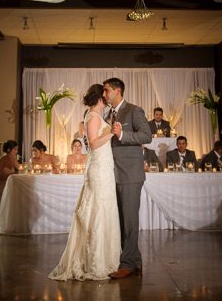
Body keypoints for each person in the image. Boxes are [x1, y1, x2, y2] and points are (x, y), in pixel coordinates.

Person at [50, 84, 119, 281]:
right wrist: (112, 133)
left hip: (104, 166)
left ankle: (105, 256)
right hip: (98, 167)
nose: (108, 96)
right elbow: (94, 143)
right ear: (100, 97)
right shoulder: (93, 116)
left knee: (104, 207)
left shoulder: (97, 116)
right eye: (105, 93)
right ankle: (94, 260)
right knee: (98, 209)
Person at [103, 77, 151, 279]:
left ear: (117, 90)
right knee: (122, 218)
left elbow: (147, 136)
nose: (104, 94)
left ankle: (128, 263)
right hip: (114, 172)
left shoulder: (134, 110)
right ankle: (136, 259)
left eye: (106, 91)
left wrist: (123, 135)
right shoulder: (108, 114)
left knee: (129, 220)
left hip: (130, 173)